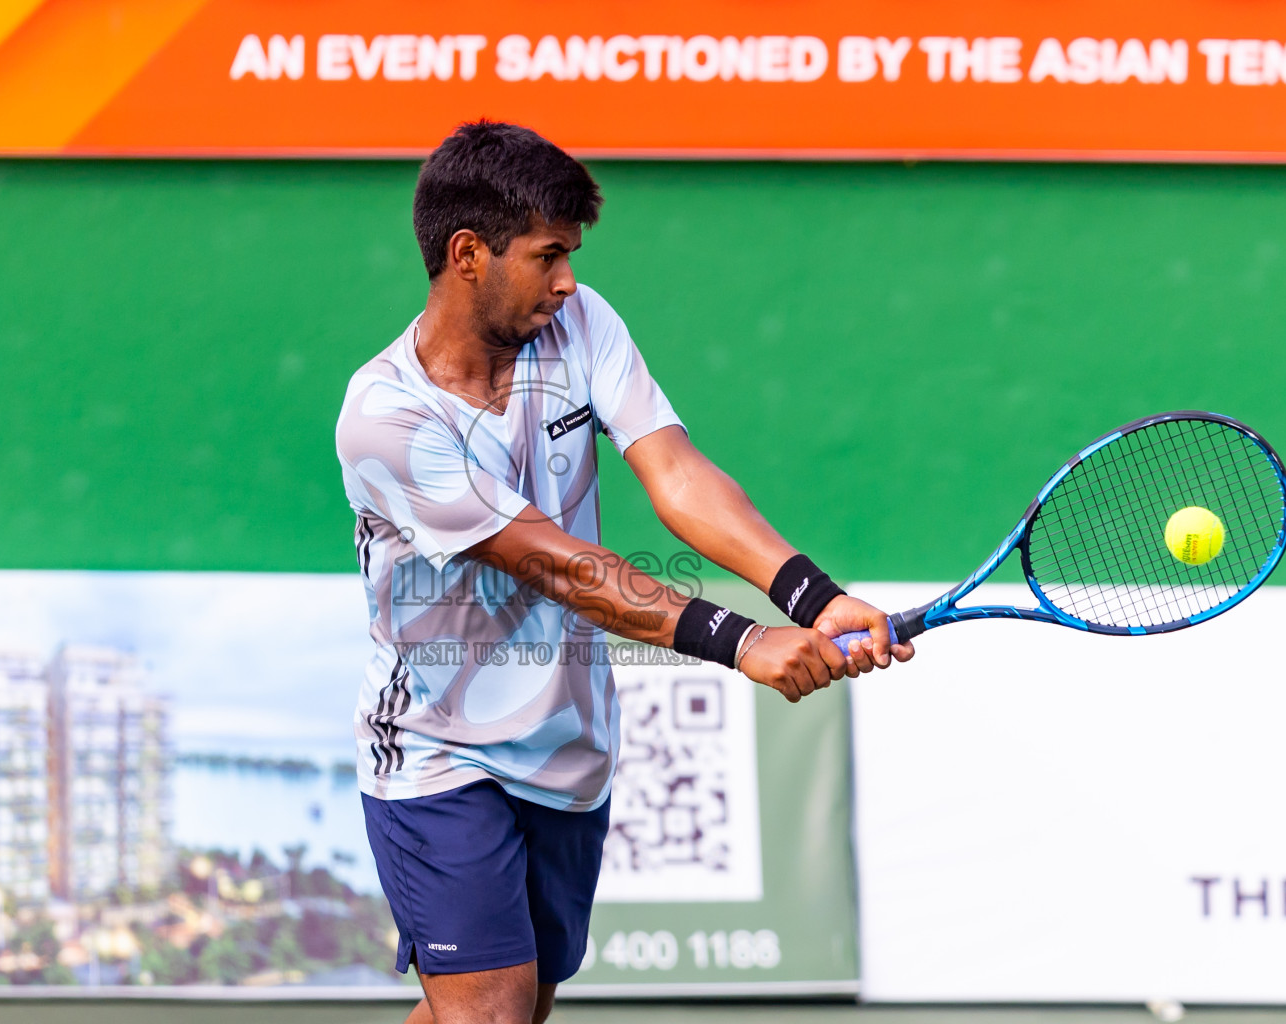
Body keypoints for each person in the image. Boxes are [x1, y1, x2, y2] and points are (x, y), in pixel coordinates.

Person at [334, 120, 914, 1024]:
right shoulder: (386, 418)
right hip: (436, 748)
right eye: (548, 255)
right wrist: (744, 641)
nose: (567, 279)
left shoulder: (579, 322)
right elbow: (557, 566)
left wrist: (813, 594)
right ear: (468, 254)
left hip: (569, 748)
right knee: (488, 1010)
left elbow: (675, 473)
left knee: (515, 1009)